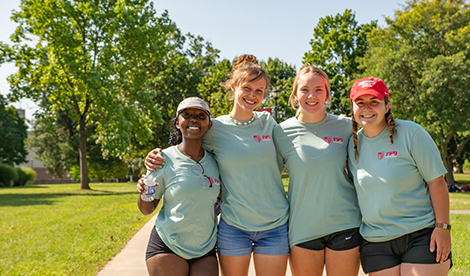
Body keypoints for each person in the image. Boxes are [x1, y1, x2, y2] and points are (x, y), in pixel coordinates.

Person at [145, 55, 289, 276]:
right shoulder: (215, 128)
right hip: (234, 225)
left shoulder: (268, 123)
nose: (253, 95)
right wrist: (154, 158)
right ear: (233, 87)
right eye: (247, 88)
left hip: (275, 224)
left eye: (259, 91)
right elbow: (186, 145)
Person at [347, 77, 452, 275]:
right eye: (360, 103)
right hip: (376, 242)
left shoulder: (411, 133)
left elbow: (436, 182)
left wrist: (443, 227)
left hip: (421, 236)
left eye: (374, 102)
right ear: (353, 107)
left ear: (386, 106)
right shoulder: (351, 144)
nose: (367, 108)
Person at [273, 65, 362, 276]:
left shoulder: (346, 126)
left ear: (327, 95)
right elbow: (270, 178)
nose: (311, 95)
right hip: (303, 229)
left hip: (345, 224)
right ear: (295, 95)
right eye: (304, 89)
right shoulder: (280, 132)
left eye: (319, 89)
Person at [137, 97, 221, 276]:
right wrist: (144, 193)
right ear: (177, 123)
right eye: (186, 115)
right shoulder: (161, 160)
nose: (194, 120)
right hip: (167, 245)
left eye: (200, 116)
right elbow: (147, 208)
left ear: (209, 125)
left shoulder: (217, 160)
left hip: (204, 248)